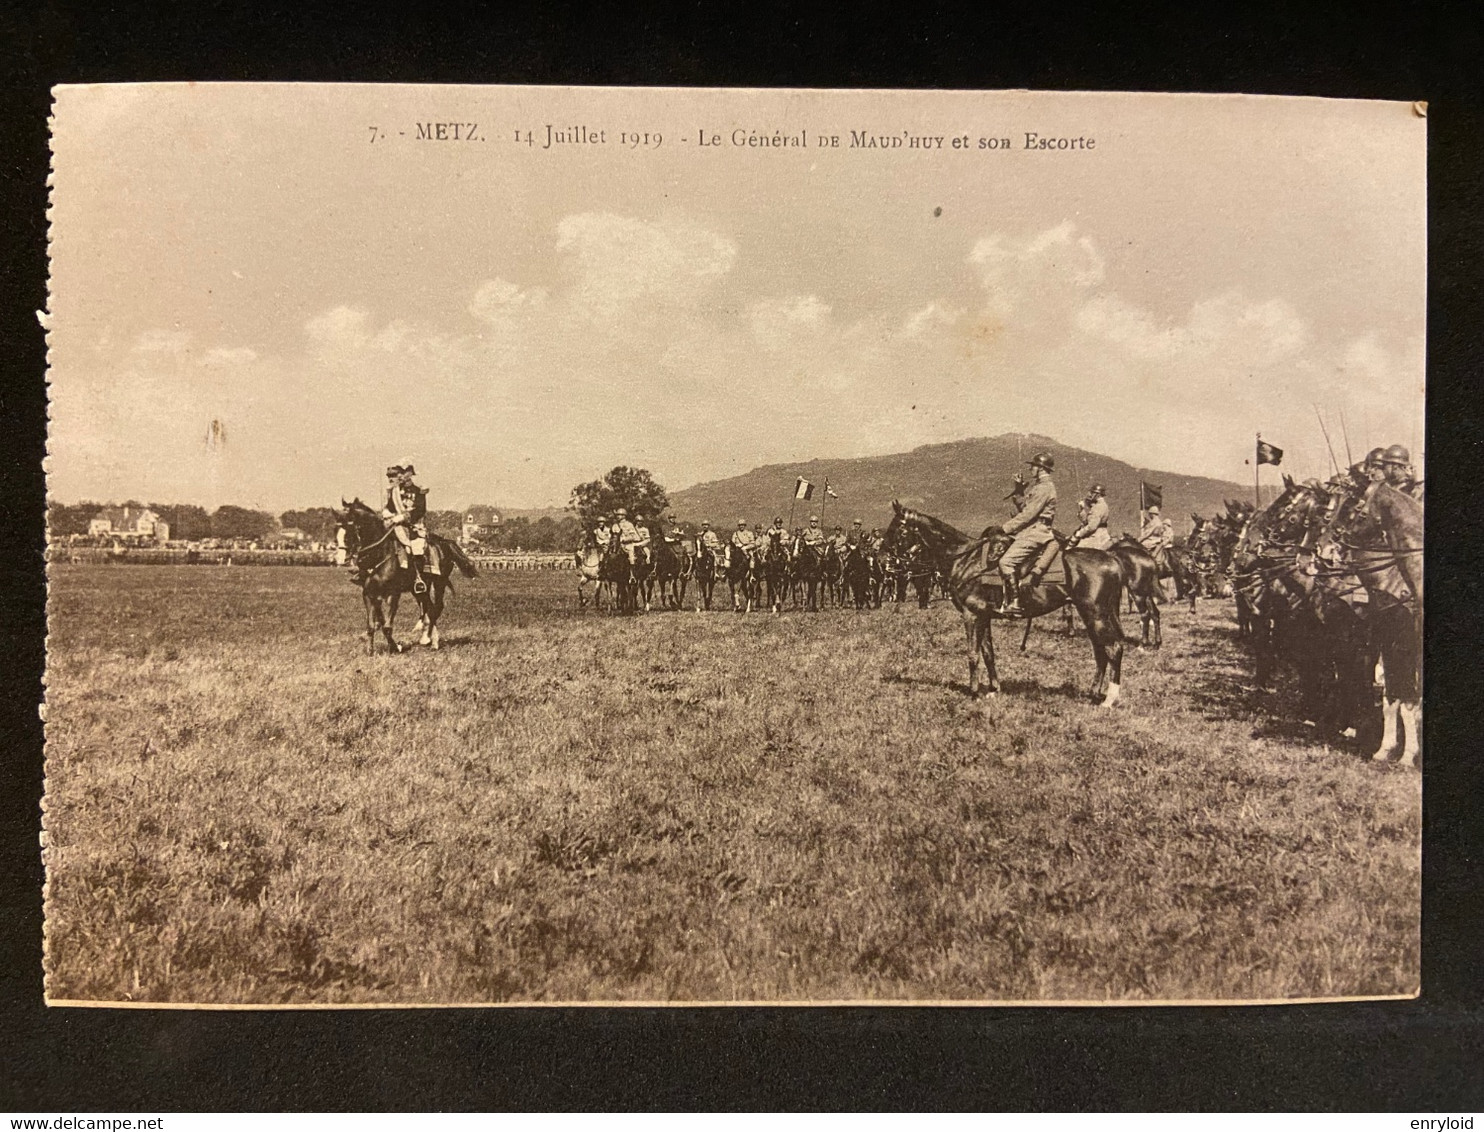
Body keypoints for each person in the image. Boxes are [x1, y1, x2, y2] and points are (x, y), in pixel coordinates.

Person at [998, 451, 1057, 615]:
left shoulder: (1044, 488)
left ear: (1040, 468)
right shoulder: (1040, 487)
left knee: (1006, 562)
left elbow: (1028, 514)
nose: (1031, 469)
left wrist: (1005, 528)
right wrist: (1018, 489)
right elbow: (1025, 507)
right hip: (1032, 530)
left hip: (1036, 532)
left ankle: (1014, 602)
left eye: (1033, 466)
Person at [382, 461, 430, 593]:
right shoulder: (395, 491)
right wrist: (387, 513)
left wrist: (403, 517)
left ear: (410, 473)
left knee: (414, 549)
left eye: (403, 472)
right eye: (399, 473)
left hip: (414, 526)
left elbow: (420, 509)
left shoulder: (418, 490)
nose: (400, 475)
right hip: (396, 524)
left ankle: (418, 578)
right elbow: (390, 507)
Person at [1067, 483, 1111, 550]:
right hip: (1096, 534)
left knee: (1076, 552)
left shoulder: (1099, 507)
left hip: (1096, 537)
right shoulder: (1097, 505)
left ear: (1098, 495)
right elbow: (1087, 521)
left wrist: (1080, 533)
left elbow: (1091, 527)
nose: (1089, 495)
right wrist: (1081, 509)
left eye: (1092, 493)